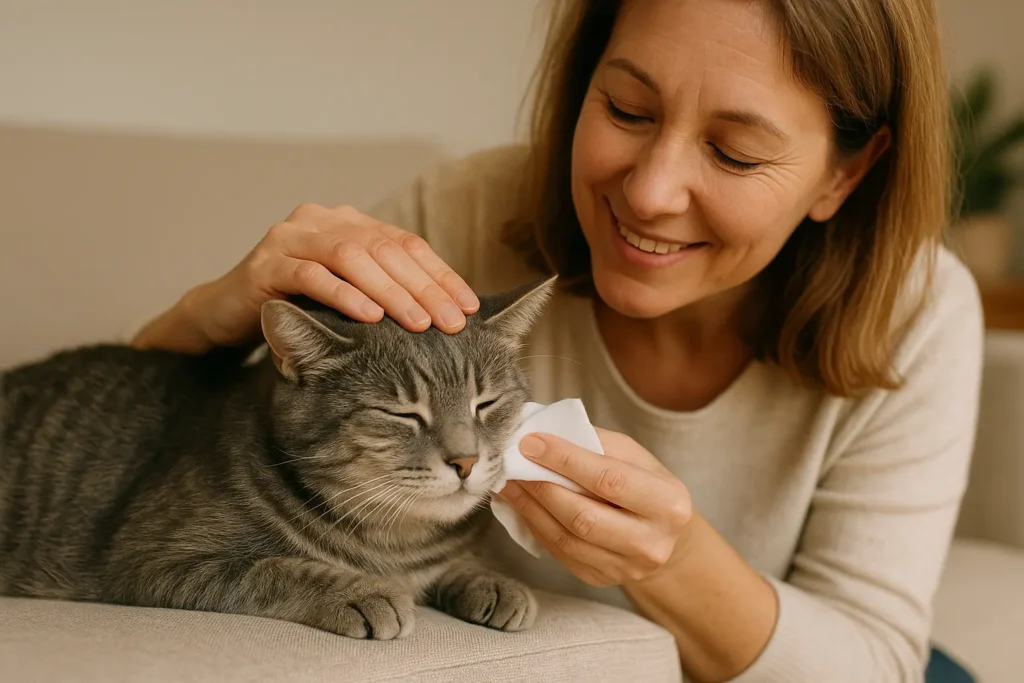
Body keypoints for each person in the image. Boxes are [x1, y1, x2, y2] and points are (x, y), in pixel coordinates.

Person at [132, 1, 983, 681]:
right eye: (626, 108)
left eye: (733, 153)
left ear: (845, 172)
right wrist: (214, 313)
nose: (650, 193)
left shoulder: (921, 312)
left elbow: (878, 663)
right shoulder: (460, 218)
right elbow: (146, 472)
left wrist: (672, 560)